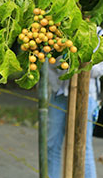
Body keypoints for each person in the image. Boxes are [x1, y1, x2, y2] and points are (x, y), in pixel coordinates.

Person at [47, 26, 103, 178]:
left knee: (83, 146)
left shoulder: (98, 34)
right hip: (59, 93)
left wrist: (79, 62)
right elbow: (51, 62)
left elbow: (99, 70)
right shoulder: (60, 31)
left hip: (87, 96)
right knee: (52, 143)